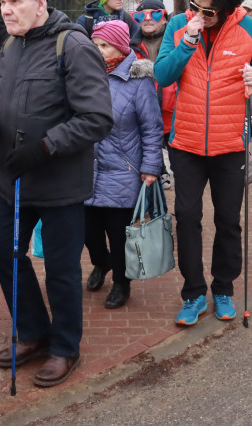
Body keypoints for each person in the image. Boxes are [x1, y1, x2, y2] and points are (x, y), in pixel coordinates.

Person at [0, 0, 113, 387]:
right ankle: (32, 332)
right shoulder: (11, 45)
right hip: (13, 180)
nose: (6, 10)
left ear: (40, 4)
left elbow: (97, 118)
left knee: (63, 269)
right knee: (2, 252)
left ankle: (66, 347)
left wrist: (46, 147)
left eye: (14, 1)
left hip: (59, 182)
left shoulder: (72, 45)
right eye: (2, 3)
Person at [154, 0, 252, 326]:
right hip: (187, 143)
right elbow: (162, 74)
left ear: (226, 7)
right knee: (188, 217)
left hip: (230, 145)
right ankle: (193, 293)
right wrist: (187, 42)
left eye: (208, 10)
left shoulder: (249, 29)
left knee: (228, 220)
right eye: (194, 5)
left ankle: (223, 288)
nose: (199, 14)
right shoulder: (178, 26)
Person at [84, 21, 162, 308]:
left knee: (119, 235)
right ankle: (101, 263)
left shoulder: (138, 80)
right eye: (94, 46)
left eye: (103, 45)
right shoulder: (85, 75)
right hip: (88, 168)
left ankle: (121, 282)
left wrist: (151, 166)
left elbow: (152, 127)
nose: (98, 51)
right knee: (87, 232)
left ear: (119, 46)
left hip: (124, 170)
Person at [130, 0, 176, 138]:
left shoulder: (177, 43)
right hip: (144, 120)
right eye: (142, 15)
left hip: (174, 118)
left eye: (155, 14)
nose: (148, 18)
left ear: (164, 18)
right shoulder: (130, 48)